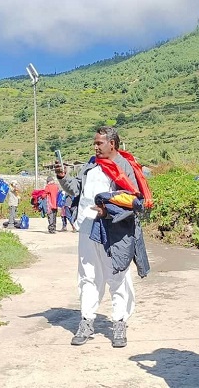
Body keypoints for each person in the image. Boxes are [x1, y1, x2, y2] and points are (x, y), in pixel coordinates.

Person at [57, 126, 150, 348]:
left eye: (99, 143)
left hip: (114, 230)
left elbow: (133, 200)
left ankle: (119, 322)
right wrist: (62, 177)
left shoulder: (124, 166)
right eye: (95, 143)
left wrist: (108, 211)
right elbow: (76, 189)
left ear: (113, 144)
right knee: (88, 275)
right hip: (88, 228)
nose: (95, 146)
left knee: (117, 275)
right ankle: (87, 321)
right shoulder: (90, 165)